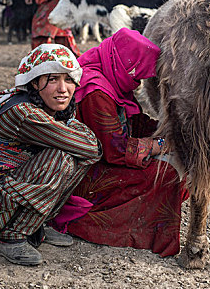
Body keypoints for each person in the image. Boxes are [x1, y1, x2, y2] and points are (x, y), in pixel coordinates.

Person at [0, 44, 101, 266]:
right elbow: (91, 146)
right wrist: (78, 137)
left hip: (5, 200)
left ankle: (35, 225)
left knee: (71, 155)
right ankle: (10, 238)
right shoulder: (23, 114)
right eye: (52, 79)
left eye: (68, 80)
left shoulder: (54, 108)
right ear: (34, 83)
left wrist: (79, 138)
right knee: (61, 157)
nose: (63, 89)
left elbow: (90, 149)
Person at [51, 28, 189, 257]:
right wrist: (160, 144)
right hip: (85, 171)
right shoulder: (97, 91)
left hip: (105, 156)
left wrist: (172, 131)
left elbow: (134, 121)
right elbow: (115, 150)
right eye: (138, 76)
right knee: (166, 174)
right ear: (127, 65)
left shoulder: (113, 77)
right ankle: (95, 224)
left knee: (175, 166)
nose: (137, 84)